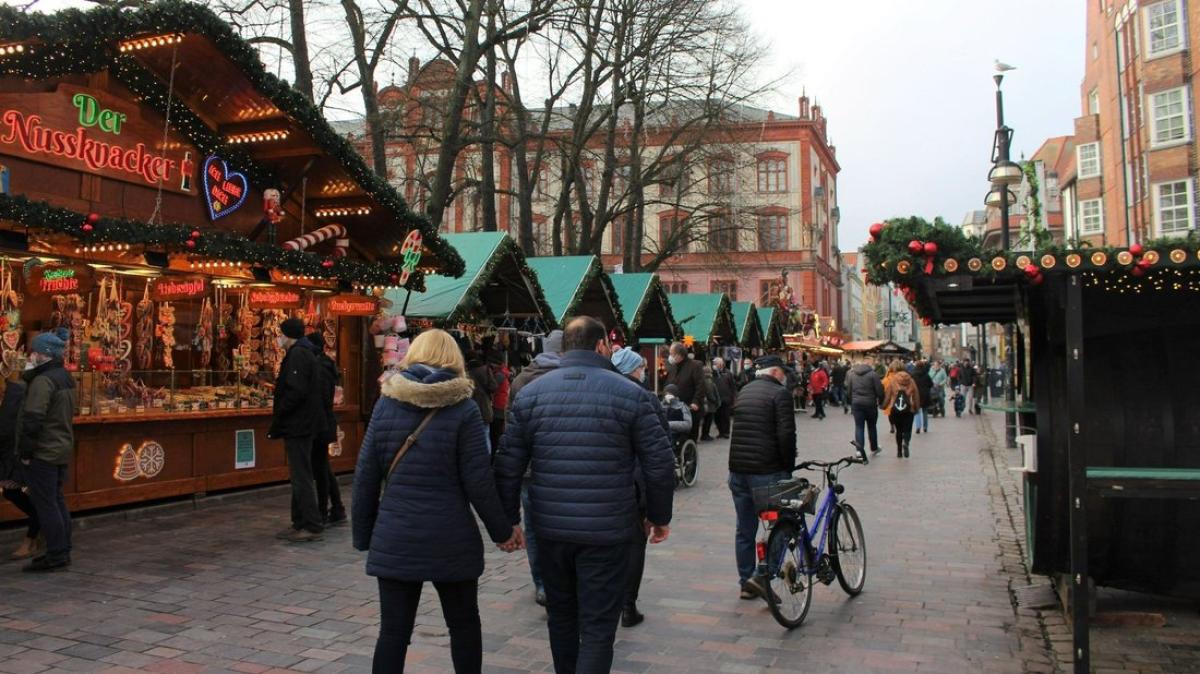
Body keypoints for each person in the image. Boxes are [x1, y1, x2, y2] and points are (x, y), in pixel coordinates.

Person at [496, 317, 674, 674]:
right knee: (597, 626)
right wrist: (659, 515)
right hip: (608, 530)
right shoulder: (631, 394)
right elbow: (659, 463)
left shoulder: (531, 394)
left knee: (561, 617)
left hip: (551, 529)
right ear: (600, 346)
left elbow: (507, 463)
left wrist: (508, 522)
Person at [352, 329, 520, 674]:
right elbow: (478, 481)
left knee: (394, 632)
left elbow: (366, 476)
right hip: (451, 536)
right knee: (463, 626)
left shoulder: (386, 403)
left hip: (396, 534)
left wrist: (365, 535)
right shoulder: (463, 408)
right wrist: (502, 531)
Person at [727, 355, 797, 599]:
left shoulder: (745, 390)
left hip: (738, 471)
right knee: (783, 523)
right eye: (784, 372)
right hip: (767, 471)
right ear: (776, 373)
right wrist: (789, 468)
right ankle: (762, 577)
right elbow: (786, 435)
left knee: (744, 528)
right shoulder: (780, 395)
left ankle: (746, 581)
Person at [508, 329, 563, 608]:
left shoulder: (520, 379)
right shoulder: (568, 378)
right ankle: (561, 582)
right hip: (560, 467)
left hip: (530, 468)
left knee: (533, 528)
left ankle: (541, 583)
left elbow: (512, 429)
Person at [17, 328, 77, 572]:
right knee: (56, 500)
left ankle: (56, 553)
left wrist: (26, 452)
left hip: (45, 449)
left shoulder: (44, 381)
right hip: (60, 446)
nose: (31, 356)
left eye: (34, 352)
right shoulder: (64, 376)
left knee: (46, 503)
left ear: (44, 355)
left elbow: (33, 418)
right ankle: (62, 548)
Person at [610, 346, 658, 628]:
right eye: (640, 368)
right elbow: (658, 455)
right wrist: (658, 510)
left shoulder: (599, 390)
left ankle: (610, 600)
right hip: (634, 487)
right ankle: (628, 604)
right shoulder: (644, 397)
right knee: (633, 546)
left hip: (606, 488)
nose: (644, 372)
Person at [269, 318, 325, 543]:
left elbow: (296, 390)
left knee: (301, 474)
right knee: (299, 473)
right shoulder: (304, 353)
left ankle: (311, 524)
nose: (278, 338)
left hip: (299, 423)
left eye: (280, 334)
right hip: (303, 422)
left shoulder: (298, 355)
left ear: (288, 335)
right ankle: (300, 521)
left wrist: (282, 410)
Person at [306, 332, 346, 526]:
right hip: (323, 421)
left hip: (320, 422)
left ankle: (323, 510)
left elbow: (320, 397)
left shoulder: (320, 367)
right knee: (323, 466)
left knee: (320, 468)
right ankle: (337, 508)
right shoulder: (325, 364)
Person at [0, 373, 36, 560]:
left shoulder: (16, 395)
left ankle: (34, 534)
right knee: (11, 491)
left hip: (22, 456)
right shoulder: (15, 395)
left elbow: (8, 431)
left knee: (19, 492)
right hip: (13, 456)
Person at [846, 356, 884, 463]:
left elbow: (848, 390)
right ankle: (874, 447)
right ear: (869, 364)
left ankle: (859, 450)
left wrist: (852, 401)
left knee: (859, 426)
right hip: (870, 404)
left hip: (856, 404)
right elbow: (880, 391)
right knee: (872, 426)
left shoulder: (852, 374)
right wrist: (880, 400)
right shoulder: (873, 374)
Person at [664, 342, 705, 440]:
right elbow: (668, 384)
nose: (670, 357)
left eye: (672, 354)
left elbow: (700, 385)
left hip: (690, 407)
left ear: (679, 354)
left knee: (690, 436)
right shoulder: (673, 367)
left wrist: (696, 402)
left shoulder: (695, 365)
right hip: (675, 408)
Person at [883, 361, 921, 458]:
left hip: (895, 409)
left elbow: (888, 396)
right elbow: (916, 395)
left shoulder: (893, 380)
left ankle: (899, 451)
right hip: (908, 409)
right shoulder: (911, 380)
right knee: (908, 429)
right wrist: (916, 407)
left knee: (899, 431)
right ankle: (906, 442)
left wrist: (883, 406)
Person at [465, 352, 497, 445]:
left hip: (469, 407)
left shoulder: (465, 372)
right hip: (484, 406)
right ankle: (487, 457)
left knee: (472, 437)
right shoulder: (485, 369)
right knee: (486, 434)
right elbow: (493, 387)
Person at [704, 357, 736, 439]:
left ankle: (726, 432)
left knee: (725, 417)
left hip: (726, 399)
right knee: (717, 417)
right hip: (716, 400)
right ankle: (720, 432)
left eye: (716, 363)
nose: (714, 365)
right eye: (713, 363)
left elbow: (732, 387)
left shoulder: (728, 373)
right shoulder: (712, 374)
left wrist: (733, 399)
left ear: (721, 364)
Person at [488, 352, 510, 454]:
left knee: (495, 435)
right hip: (501, 406)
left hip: (498, 407)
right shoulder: (502, 372)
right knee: (498, 433)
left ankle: (496, 453)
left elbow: (491, 387)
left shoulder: (499, 375)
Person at [912, 360, 934, 435]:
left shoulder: (913, 375)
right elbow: (931, 384)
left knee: (917, 411)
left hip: (916, 394)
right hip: (925, 395)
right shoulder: (926, 374)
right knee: (925, 411)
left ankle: (918, 427)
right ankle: (925, 427)